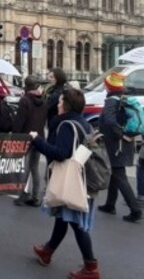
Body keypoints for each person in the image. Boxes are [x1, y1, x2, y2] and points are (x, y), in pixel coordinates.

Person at [30, 88, 100, 279]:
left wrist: (37, 140)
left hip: (73, 182)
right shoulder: (84, 123)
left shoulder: (67, 125)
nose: (58, 104)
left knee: (77, 224)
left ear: (66, 105)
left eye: (60, 101)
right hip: (83, 179)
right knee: (62, 217)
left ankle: (91, 268)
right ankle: (47, 251)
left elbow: (60, 154)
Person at [96, 72, 142, 222]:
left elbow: (109, 121)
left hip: (116, 144)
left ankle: (135, 210)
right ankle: (110, 204)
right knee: (115, 173)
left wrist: (120, 135)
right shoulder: (123, 98)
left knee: (119, 175)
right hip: (123, 144)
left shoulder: (111, 101)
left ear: (109, 87)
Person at [12, 76, 48, 207]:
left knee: (24, 168)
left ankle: (22, 195)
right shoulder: (44, 101)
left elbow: (19, 121)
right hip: (38, 137)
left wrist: (15, 136)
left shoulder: (25, 101)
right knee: (34, 168)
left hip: (26, 138)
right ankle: (36, 196)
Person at [44, 67, 68, 132]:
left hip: (55, 124)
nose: (49, 79)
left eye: (52, 77)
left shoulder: (57, 93)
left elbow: (46, 106)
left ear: (58, 78)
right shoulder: (55, 90)